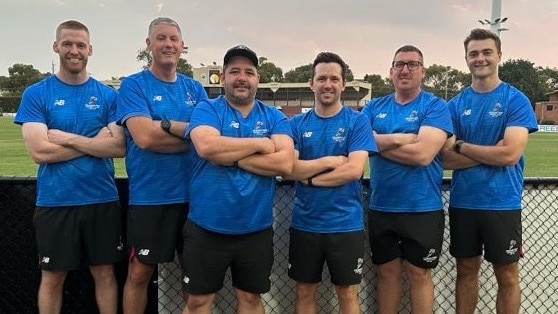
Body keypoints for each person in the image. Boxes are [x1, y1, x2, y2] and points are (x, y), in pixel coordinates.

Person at [14, 20, 125, 313]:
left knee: (104, 273)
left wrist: (66, 139)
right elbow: (39, 151)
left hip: (101, 199)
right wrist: (92, 143)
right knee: (52, 277)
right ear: (56, 47)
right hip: (55, 200)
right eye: (67, 44)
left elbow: (118, 147)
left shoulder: (108, 96)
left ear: (90, 50)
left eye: (80, 45)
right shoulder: (37, 94)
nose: (74, 50)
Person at [181, 45, 294, 314]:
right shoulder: (206, 109)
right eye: (234, 71)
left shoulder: (274, 116)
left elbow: (285, 163)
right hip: (207, 226)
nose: (241, 77)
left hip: (255, 228)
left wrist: (230, 156)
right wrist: (261, 144)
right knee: (198, 302)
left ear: (258, 78)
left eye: (249, 72)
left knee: (251, 300)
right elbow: (207, 147)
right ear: (223, 77)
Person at [441, 29, 538, 314]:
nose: (480, 58)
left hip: (502, 202)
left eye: (486, 52)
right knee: (465, 271)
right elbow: (444, 158)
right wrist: (489, 153)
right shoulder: (455, 105)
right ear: (466, 59)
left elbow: (510, 154)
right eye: (474, 53)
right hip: (464, 202)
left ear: (499, 56)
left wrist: (462, 146)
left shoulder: (515, 100)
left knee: (506, 275)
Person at [116, 17, 208, 313]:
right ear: (149, 45)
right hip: (150, 198)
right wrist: (192, 135)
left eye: (173, 39)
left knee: (193, 278)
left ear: (182, 46)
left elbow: (210, 137)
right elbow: (144, 138)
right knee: (139, 272)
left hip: (194, 198)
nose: (168, 44)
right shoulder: (133, 85)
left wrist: (164, 126)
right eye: (161, 38)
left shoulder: (195, 88)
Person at [361, 45, 453, 313]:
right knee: (386, 274)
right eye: (399, 64)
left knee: (419, 275)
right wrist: (402, 139)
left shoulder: (435, 106)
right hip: (382, 207)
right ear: (390, 72)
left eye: (413, 64)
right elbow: (361, 144)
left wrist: (378, 143)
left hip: (422, 208)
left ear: (423, 72)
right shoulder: (373, 107)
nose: (405, 69)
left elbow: (423, 154)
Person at [285, 52, 376, 314]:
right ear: (311, 83)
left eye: (334, 78)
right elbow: (290, 168)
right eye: (322, 78)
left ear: (343, 84)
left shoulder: (357, 121)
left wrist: (309, 178)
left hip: (345, 224)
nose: (328, 84)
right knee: (304, 290)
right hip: (305, 223)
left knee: (347, 293)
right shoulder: (296, 124)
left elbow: (353, 170)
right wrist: (330, 161)